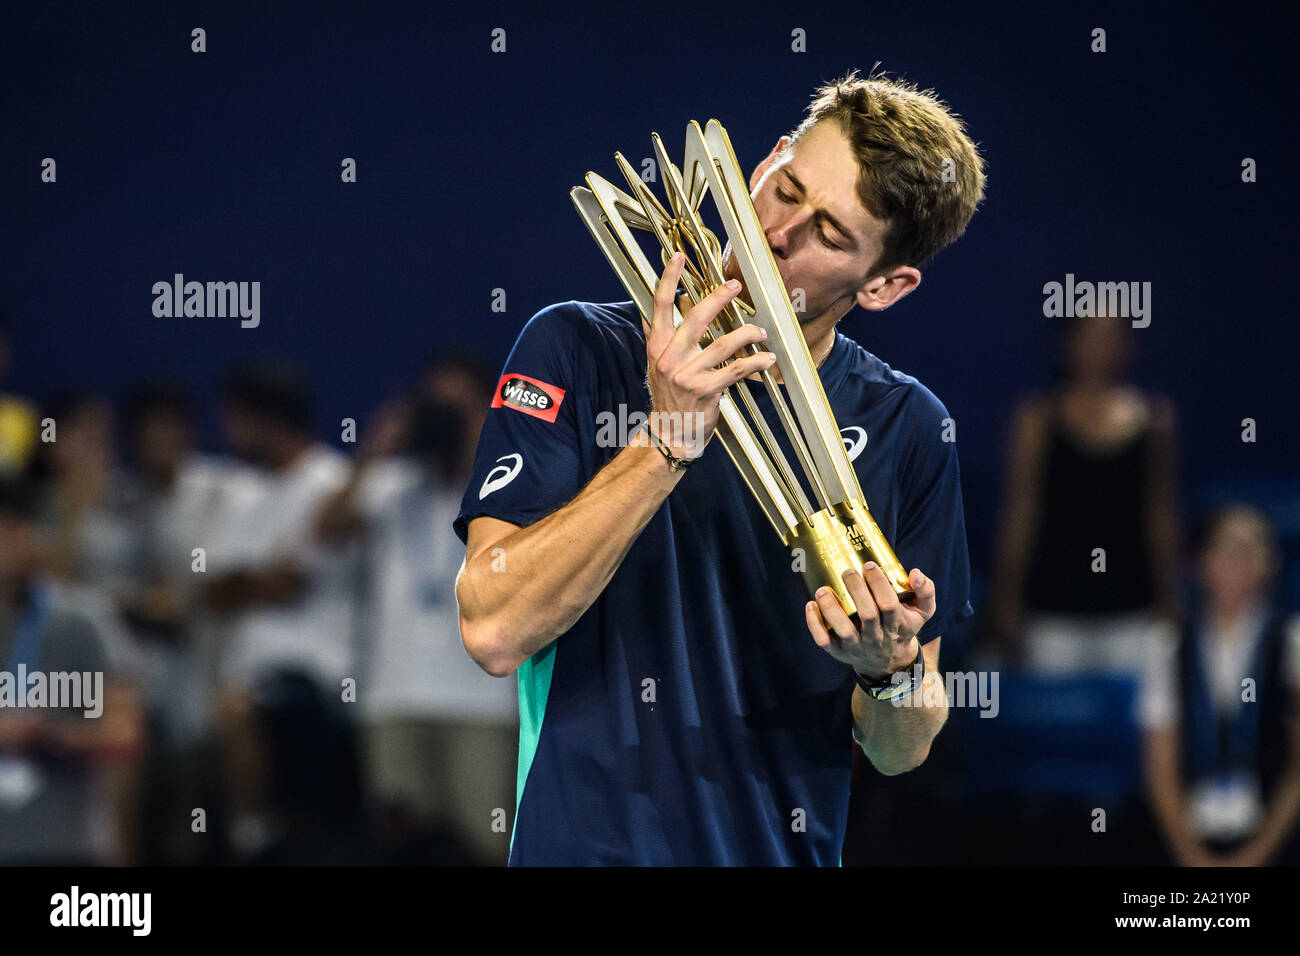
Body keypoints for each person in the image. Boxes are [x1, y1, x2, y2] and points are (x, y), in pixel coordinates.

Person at [455, 69, 985, 865]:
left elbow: (900, 748)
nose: (777, 234)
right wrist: (666, 439)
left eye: (830, 234)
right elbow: (494, 627)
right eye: (784, 188)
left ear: (884, 285)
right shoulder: (575, 347)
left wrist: (890, 670)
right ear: (765, 160)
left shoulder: (909, 427)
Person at [316, 362, 517, 866]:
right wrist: (373, 452)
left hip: (483, 704)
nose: (443, 421)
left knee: (489, 848)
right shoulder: (387, 484)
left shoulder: (504, 481)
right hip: (393, 699)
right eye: (435, 409)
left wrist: (479, 445)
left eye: (457, 409)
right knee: (397, 849)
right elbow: (325, 532)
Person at [202, 363, 361, 859]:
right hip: (249, 673)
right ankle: (257, 838)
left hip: (319, 678)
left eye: (235, 420)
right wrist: (259, 581)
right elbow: (212, 592)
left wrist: (251, 581)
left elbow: (291, 583)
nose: (227, 432)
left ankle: (255, 842)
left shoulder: (331, 481)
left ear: (268, 421)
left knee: (236, 711)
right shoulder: (237, 491)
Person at [988, 311, 1182, 674]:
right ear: (1067, 344)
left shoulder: (1155, 421)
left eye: (1111, 337)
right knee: (1054, 725)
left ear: (1129, 345)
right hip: (1053, 607)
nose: (1100, 348)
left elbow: (1160, 514)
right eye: (1090, 336)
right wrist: (1006, 597)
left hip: (1134, 607)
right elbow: (1020, 511)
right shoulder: (1036, 420)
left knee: (1140, 726)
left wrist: (1170, 596)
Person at [1143, 505, 1300, 866]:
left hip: (1273, 834)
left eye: (1253, 548)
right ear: (1202, 563)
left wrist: (1257, 855)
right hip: (1191, 832)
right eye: (1230, 547)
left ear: (1271, 563)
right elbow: (1160, 770)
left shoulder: (1292, 642)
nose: (1240, 560)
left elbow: (1298, 768)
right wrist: (1192, 857)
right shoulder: (1168, 645)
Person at [0, 474, 144, 865]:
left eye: (14, 526)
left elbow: (125, 734)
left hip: (67, 847)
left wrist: (52, 735)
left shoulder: (83, 620)